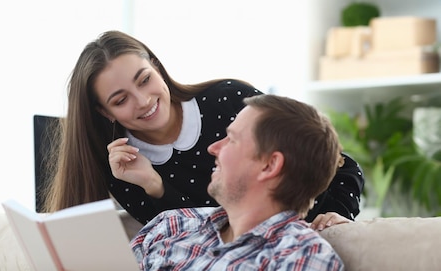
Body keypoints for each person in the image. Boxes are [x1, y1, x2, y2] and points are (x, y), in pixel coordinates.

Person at [42, 30, 364, 228]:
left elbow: (341, 165)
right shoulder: (123, 168)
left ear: (156, 66)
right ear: (103, 111)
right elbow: (197, 241)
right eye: (120, 99)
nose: (142, 101)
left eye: (144, 79)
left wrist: (336, 219)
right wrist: (155, 186)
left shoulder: (231, 99)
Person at [131, 94, 344, 270]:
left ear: (269, 165)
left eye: (231, 139)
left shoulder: (302, 257)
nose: (213, 148)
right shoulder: (169, 225)